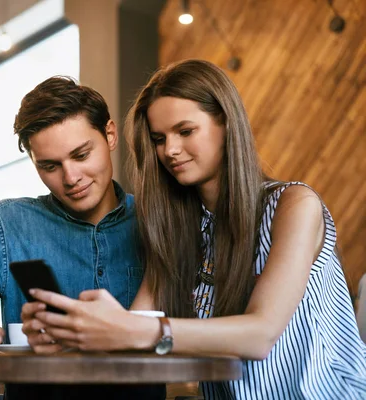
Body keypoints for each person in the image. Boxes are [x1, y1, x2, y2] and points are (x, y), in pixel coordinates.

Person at [22, 60, 366, 398]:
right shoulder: (180, 232)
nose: (169, 150)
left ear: (227, 125)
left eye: (185, 131)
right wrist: (69, 335)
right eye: (159, 138)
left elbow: (260, 336)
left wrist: (136, 329)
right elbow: (129, 338)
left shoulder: (294, 206)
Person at [0, 76, 165, 399]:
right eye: (50, 166)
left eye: (81, 155)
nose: (71, 177)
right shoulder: (4, 225)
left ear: (110, 134)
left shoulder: (158, 221)